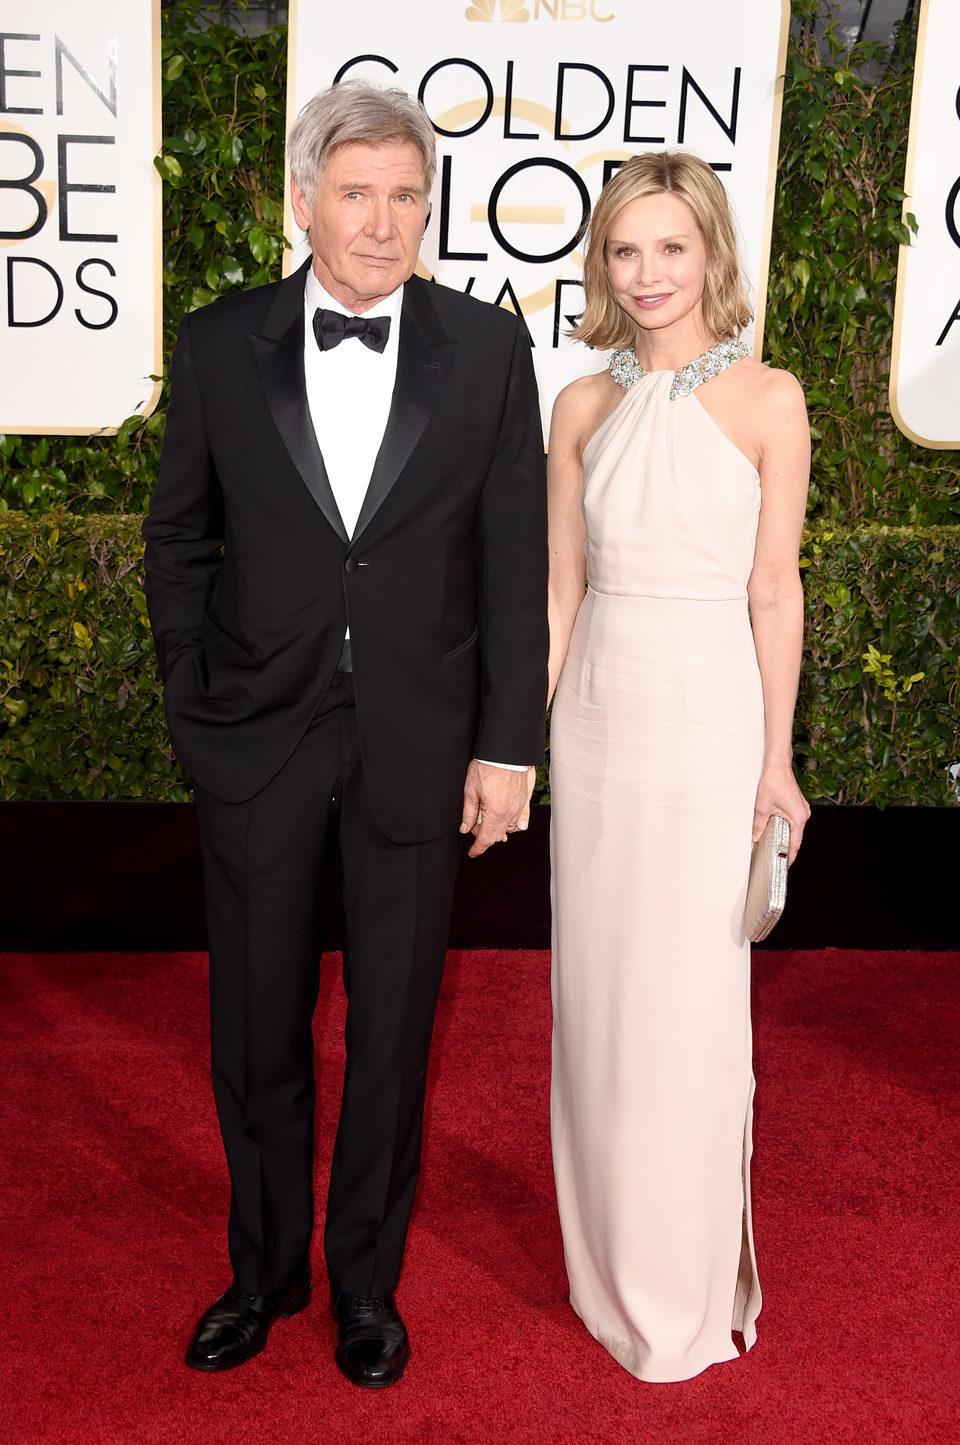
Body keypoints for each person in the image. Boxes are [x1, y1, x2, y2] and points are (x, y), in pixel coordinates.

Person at [143, 80, 547, 1388]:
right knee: (255, 1029)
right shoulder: (217, 348)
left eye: (408, 197)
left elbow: (509, 563)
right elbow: (179, 543)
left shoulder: (486, 351)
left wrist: (507, 745)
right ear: (303, 198)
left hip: (421, 745)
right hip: (255, 738)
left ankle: (365, 1284)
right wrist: (196, 707)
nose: (384, 223)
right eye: (358, 193)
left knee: (394, 1030)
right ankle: (261, 1271)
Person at [546, 151, 811, 1382]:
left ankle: (687, 1288)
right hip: (596, 728)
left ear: (711, 250)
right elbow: (564, 585)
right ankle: (607, 1272)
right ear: (603, 265)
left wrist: (778, 761)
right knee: (599, 1007)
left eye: (669, 247)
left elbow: (772, 589)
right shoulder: (581, 407)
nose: (647, 275)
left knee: (688, 1016)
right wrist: (517, 741)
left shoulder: (771, 401)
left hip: (707, 731)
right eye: (622, 251)